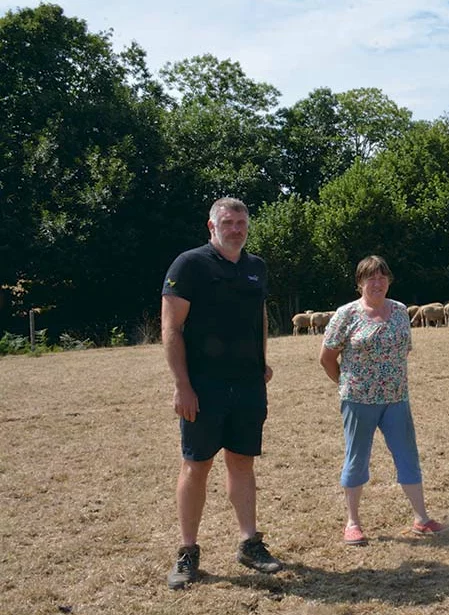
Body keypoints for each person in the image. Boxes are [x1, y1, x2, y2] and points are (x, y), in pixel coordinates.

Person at [161, 197, 282, 589]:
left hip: (247, 386)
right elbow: (171, 328)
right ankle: (187, 552)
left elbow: (259, 316)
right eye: (228, 222)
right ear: (211, 227)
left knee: (243, 462)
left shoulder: (255, 267)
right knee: (196, 466)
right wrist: (182, 385)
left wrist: (262, 360)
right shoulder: (189, 265)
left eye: (241, 222)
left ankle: (249, 542)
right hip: (203, 387)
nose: (236, 229)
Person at [319, 255, 449, 546]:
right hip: (358, 400)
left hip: (396, 398)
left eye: (382, 277)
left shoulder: (401, 311)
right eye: (370, 278)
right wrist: (345, 383)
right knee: (356, 459)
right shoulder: (346, 314)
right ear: (359, 283)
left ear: (389, 280)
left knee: (407, 457)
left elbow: (404, 350)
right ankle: (352, 523)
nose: (377, 283)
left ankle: (422, 519)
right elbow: (326, 357)